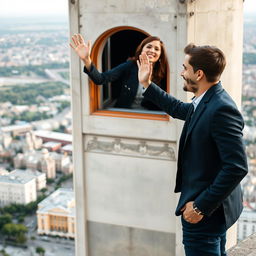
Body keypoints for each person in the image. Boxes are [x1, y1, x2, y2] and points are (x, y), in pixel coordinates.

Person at [137, 44, 248, 256]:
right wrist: (147, 83)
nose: (181, 72)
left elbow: (237, 167)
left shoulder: (221, 109)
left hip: (204, 212)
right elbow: (180, 109)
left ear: (199, 74)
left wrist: (199, 207)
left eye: (185, 68)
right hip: (213, 209)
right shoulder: (208, 101)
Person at [70, 34, 167, 110]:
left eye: (157, 49)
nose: (152, 50)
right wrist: (87, 60)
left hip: (152, 115)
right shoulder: (130, 66)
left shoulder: (162, 73)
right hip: (124, 112)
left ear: (160, 55)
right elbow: (100, 79)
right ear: (141, 50)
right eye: (149, 47)